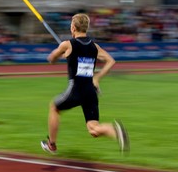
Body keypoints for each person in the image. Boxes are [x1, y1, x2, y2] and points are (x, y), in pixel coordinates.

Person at [40, 13, 130, 155]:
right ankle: (114, 130)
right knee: (93, 129)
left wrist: (59, 53)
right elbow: (111, 61)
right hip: (90, 91)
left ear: (73, 28)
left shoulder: (67, 44)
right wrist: (97, 78)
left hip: (75, 90)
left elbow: (51, 59)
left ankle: (51, 144)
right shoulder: (94, 46)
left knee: (54, 107)